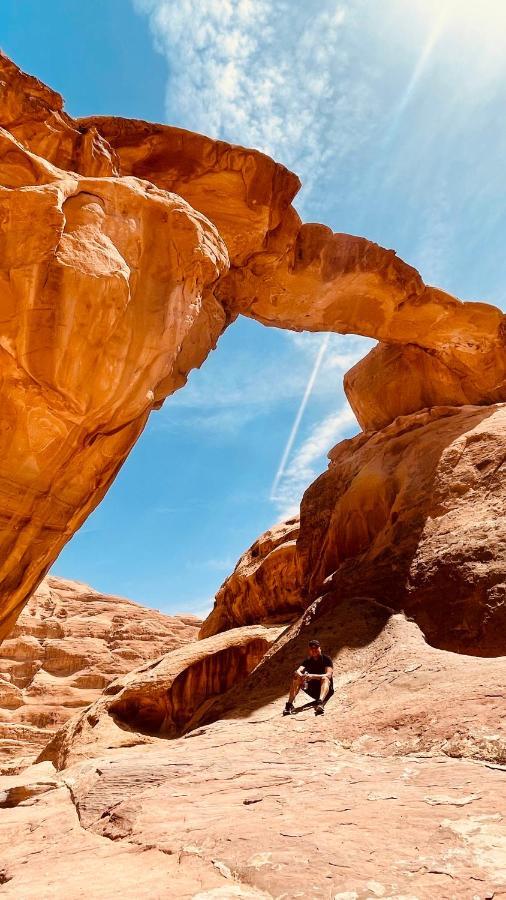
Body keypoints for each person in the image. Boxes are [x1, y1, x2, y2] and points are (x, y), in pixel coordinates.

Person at [283, 639, 334, 717]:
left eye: (316, 648)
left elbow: (328, 675)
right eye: (312, 649)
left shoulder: (326, 659)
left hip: (326, 690)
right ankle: (289, 704)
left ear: (320, 648)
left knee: (325, 678)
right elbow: (297, 671)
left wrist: (313, 676)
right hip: (313, 691)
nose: (314, 650)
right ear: (309, 650)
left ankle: (320, 703)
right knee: (296, 678)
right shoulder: (308, 661)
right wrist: (301, 675)